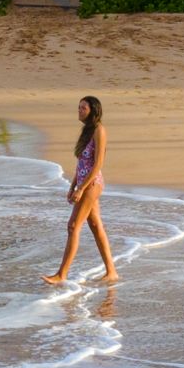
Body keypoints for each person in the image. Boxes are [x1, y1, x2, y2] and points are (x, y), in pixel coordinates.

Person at [42, 95, 119, 286]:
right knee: (95, 226)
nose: (79, 111)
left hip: (93, 184)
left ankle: (62, 274)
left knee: (73, 225)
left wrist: (82, 188)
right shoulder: (87, 130)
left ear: (93, 110)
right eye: (79, 107)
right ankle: (112, 272)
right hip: (84, 184)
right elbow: (81, 164)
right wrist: (72, 186)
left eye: (83, 108)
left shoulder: (99, 130)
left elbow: (98, 163)